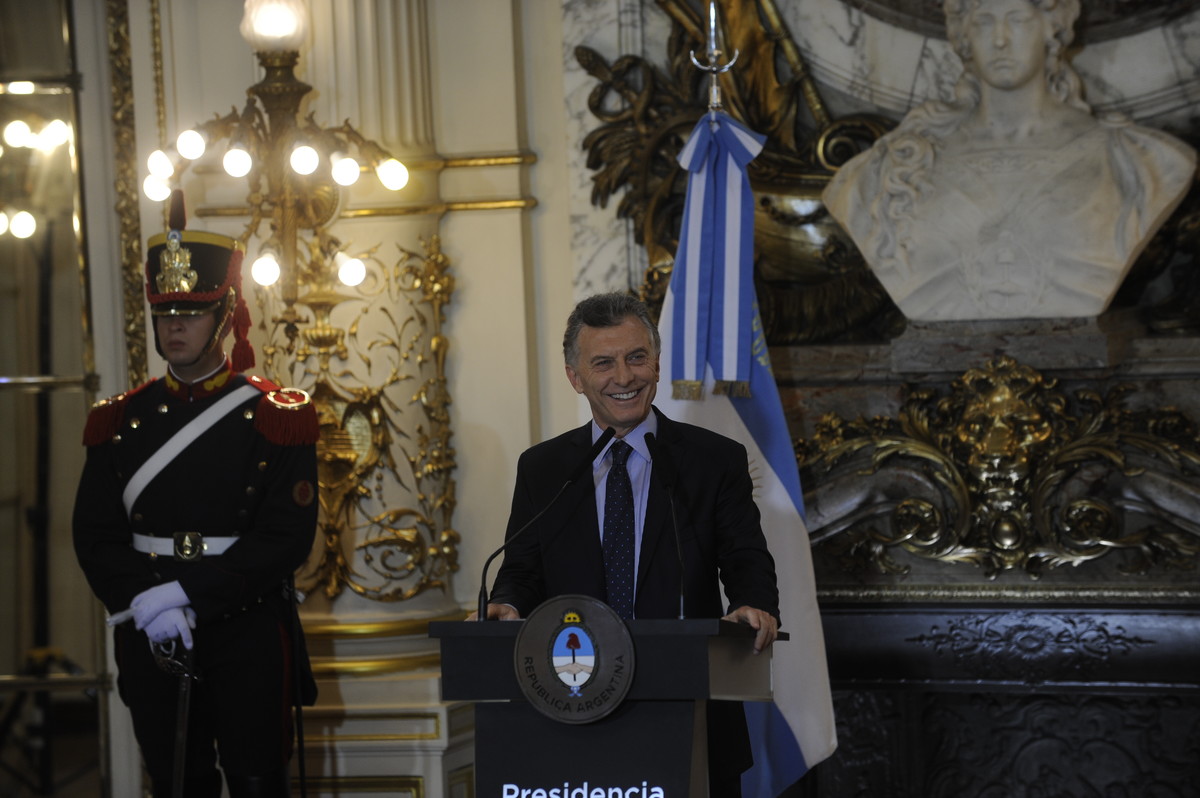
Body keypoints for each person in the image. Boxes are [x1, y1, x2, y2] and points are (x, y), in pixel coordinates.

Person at [473, 292, 780, 795]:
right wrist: (506, 603)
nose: (624, 377)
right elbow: (523, 568)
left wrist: (752, 604)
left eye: (636, 357)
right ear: (575, 377)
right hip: (571, 707)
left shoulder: (712, 459)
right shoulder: (544, 468)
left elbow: (745, 556)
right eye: (603, 363)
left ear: (656, 364)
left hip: (690, 712)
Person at [72, 191, 319, 798]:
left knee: (257, 781)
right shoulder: (118, 420)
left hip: (245, 624)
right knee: (176, 782)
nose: (175, 326)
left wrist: (187, 594)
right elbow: (95, 534)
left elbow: (284, 537)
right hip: (150, 626)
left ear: (226, 313)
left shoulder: (276, 415)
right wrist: (147, 602)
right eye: (165, 313)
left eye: (192, 311)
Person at [822, 0, 1195, 322]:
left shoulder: (1136, 159)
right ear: (963, 34)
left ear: (1051, 28)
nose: (1000, 39)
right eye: (984, 22)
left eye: (1017, 19)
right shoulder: (893, 168)